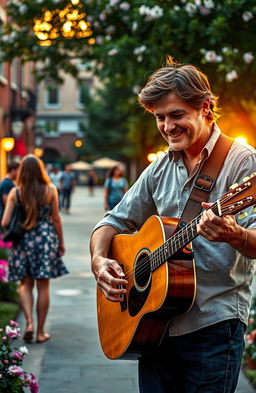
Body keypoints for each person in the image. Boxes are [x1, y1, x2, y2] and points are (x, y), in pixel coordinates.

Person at [90, 58, 256, 393]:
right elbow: (112, 221)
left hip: (213, 325)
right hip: (153, 326)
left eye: (176, 115)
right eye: (160, 118)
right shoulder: (160, 167)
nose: (167, 126)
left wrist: (234, 234)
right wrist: (98, 261)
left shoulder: (243, 162)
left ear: (206, 107)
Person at [1, 154, 68, 343]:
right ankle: (40, 332)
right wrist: (61, 243)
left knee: (25, 284)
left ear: (22, 171)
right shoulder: (50, 190)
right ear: (40, 170)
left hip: (23, 241)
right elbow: (56, 219)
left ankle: (29, 323)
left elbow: (5, 221)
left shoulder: (16, 192)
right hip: (45, 240)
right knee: (43, 286)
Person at [0, 161, 20, 228]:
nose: (19, 173)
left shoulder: (7, 182)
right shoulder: (7, 184)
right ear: (13, 170)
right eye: (19, 170)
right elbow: (6, 203)